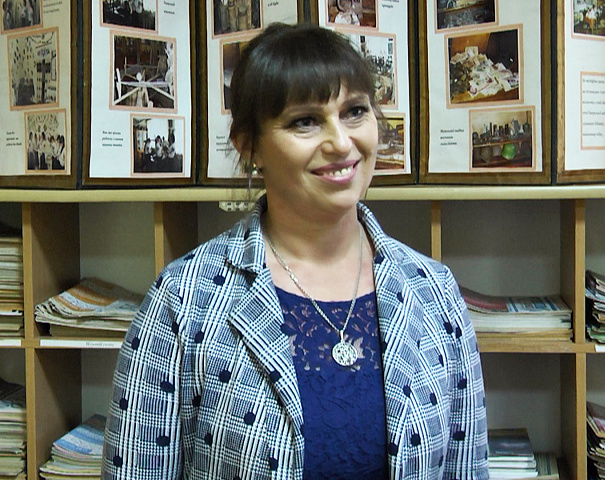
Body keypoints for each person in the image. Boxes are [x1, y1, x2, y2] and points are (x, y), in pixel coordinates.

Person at [102, 23, 488, 479]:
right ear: (250, 146)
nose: (340, 143)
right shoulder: (185, 300)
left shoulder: (433, 292)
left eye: (355, 111)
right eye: (305, 121)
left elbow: (467, 468)